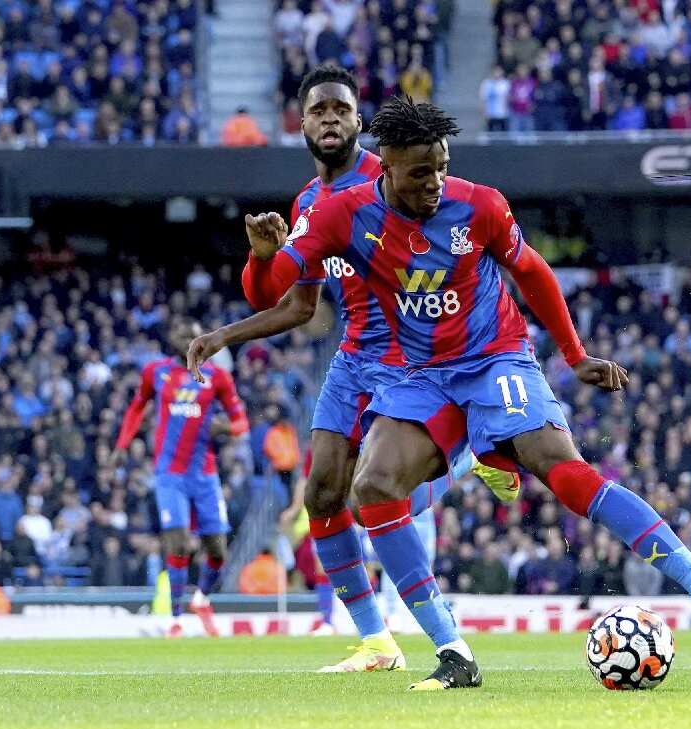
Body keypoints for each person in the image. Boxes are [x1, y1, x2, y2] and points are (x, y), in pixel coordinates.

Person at [223, 96, 691, 690]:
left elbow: (530, 270)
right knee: (371, 487)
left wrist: (576, 354)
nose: (435, 181)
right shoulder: (342, 214)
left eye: (441, 165)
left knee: (562, 470)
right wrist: (260, 255)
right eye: (419, 172)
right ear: (386, 168)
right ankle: (453, 651)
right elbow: (271, 290)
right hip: (417, 375)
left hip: (493, 358)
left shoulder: (477, 203)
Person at [187, 67, 518, 671]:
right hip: (352, 359)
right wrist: (223, 334)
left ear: (359, 121)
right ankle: (375, 642)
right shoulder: (309, 204)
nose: (331, 118)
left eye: (341, 108)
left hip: (408, 359)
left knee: (377, 496)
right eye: (319, 111)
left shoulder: (392, 178)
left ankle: (470, 455)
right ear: (303, 124)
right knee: (321, 495)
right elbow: (298, 305)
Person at [113, 319, 248, 637]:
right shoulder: (156, 373)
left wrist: (225, 428)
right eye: (181, 333)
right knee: (177, 540)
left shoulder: (218, 377)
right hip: (169, 473)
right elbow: (136, 408)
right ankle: (175, 618)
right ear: (170, 338)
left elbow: (241, 422)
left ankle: (201, 599)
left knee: (216, 550)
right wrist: (122, 444)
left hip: (204, 474)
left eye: (193, 334)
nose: (187, 338)